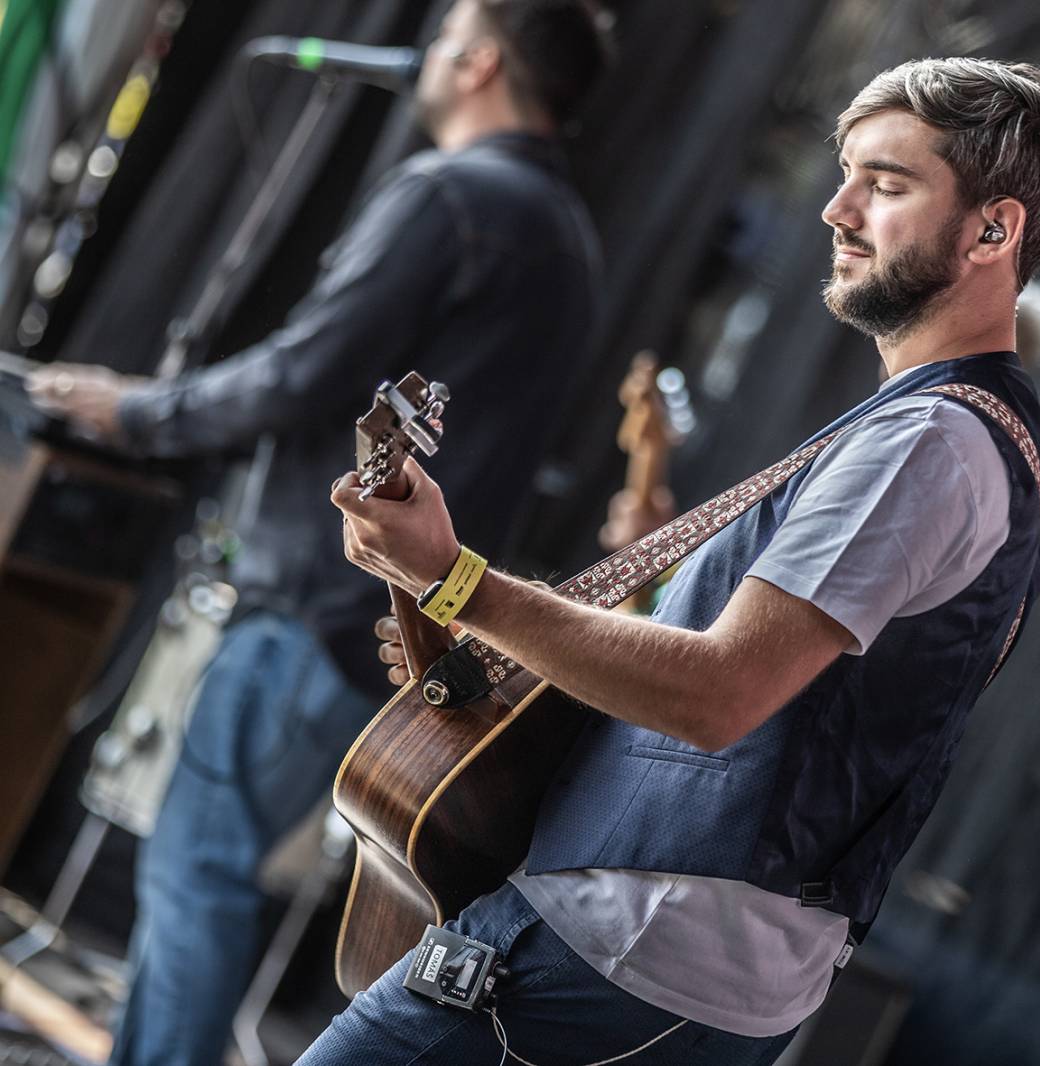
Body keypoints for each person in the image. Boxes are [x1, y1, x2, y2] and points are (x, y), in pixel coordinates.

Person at [318, 56, 1040, 1066]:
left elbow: (720, 693)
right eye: (847, 173)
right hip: (659, 961)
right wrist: (480, 626)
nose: (837, 209)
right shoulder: (944, 432)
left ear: (994, 230)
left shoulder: (927, 443)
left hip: (615, 948)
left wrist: (459, 582)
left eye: (887, 184)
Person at [26, 3, 614, 1064]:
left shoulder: (453, 194)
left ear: (479, 62)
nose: (427, 50)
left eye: (446, 33)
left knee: (197, 865)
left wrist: (135, 410)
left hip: (321, 597)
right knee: (214, 863)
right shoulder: (568, 235)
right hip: (403, 621)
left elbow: (306, 372)